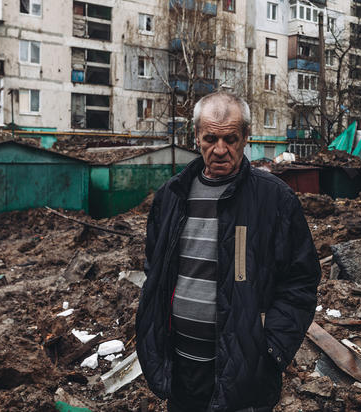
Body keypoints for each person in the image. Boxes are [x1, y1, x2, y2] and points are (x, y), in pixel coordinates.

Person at [136, 92, 321, 412]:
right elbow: (156, 271)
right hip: (181, 369)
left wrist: (271, 348)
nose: (220, 149)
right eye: (210, 138)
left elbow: (301, 282)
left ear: (246, 137)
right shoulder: (171, 196)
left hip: (245, 376)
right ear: (196, 137)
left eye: (230, 139)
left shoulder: (274, 199)